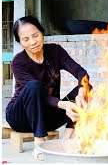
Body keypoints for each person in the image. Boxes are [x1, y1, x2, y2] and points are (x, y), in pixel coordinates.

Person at [5, 15, 89, 160]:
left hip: (48, 117)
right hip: (21, 117)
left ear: (42, 32)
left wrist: (82, 90)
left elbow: (80, 72)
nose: (33, 42)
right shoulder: (18, 62)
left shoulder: (55, 52)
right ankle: (39, 141)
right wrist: (64, 104)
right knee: (34, 86)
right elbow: (40, 94)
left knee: (88, 87)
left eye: (35, 35)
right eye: (26, 39)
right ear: (20, 42)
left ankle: (66, 137)